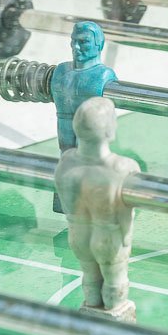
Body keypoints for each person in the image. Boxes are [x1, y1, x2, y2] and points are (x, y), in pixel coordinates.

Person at [55, 99, 141, 322]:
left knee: (90, 277)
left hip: (78, 234)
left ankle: (91, 318)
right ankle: (115, 327)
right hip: (108, 236)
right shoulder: (122, 168)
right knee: (115, 281)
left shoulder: (66, 162)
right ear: (109, 129)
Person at [49, 21, 117, 213]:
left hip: (89, 142)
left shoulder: (103, 75)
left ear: (99, 45)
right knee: (68, 164)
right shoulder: (61, 72)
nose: (76, 47)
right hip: (65, 139)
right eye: (73, 41)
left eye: (84, 42)